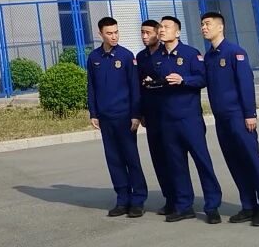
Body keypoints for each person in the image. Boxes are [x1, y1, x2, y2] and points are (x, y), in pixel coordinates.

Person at [200, 10, 259, 226]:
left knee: (252, 161)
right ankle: (248, 205)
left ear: (220, 27)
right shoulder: (209, 56)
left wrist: (249, 114)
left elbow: (245, 84)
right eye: (202, 24)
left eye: (208, 24)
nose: (204, 28)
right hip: (221, 118)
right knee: (234, 162)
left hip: (238, 116)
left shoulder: (235, 52)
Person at [157, 14, 223, 223]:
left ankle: (212, 206)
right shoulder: (158, 56)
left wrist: (183, 79)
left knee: (202, 162)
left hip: (189, 118)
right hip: (167, 120)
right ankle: (184, 206)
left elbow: (202, 79)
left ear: (177, 32)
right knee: (176, 165)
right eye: (160, 27)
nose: (162, 30)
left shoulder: (190, 54)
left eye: (167, 27)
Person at [87, 16, 148, 217]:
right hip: (105, 118)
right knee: (114, 159)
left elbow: (135, 88)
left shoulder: (126, 56)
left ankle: (138, 199)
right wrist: (93, 113)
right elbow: (91, 87)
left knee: (131, 158)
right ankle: (122, 199)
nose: (114, 36)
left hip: (124, 117)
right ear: (100, 34)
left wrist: (136, 114)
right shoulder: (94, 58)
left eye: (116, 32)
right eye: (109, 33)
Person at [136, 19, 175, 216]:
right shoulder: (140, 57)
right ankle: (169, 198)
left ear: (157, 33)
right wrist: (140, 113)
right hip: (151, 114)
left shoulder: (165, 53)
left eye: (148, 33)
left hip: (168, 112)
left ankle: (181, 198)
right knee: (158, 157)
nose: (145, 36)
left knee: (173, 157)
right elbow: (138, 87)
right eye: (142, 32)